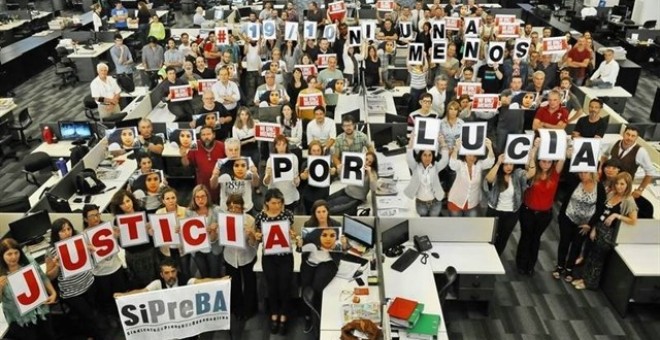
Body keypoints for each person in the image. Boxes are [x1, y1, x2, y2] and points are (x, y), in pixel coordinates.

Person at [572, 173, 637, 290]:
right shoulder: (611, 194)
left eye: (622, 184)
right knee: (590, 254)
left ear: (628, 185)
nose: (619, 186)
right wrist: (594, 228)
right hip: (598, 227)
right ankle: (584, 278)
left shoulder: (629, 200)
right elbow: (601, 212)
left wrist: (617, 215)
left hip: (609, 233)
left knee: (597, 259)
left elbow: (633, 220)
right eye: (617, 183)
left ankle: (590, 283)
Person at [45, 218, 103, 340]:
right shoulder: (51, 251)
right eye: (62, 231)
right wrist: (56, 266)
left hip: (88, 283)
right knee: (88, 316)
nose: (67, 233)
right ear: (56, 234)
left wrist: (91, 251)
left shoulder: (79, 240)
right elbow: (49, 276)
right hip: (72, 291)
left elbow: (91, 260)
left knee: (92, 313)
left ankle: (92, 334)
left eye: (69, 229)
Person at [298, 200, 345, 332]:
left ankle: (318, 317)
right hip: (311, 261)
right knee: (305, 288)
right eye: (318, 212)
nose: (321, 214)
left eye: (324, 211)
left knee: (316, 288)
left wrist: (343, 243)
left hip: (328, 262)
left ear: (328, 212)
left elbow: (343, 249)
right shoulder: (309, 225)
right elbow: (303, 248)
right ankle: (308, 316)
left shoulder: (336, 225)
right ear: (314, 213)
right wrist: (300, 244)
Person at [484, 141, 539, 255]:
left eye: (511, 164)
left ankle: (497, 256)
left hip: (511, 213)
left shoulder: (517, 174)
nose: (509, 167)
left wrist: (531, 157)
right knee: (489, 236)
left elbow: (531, 173)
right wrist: (498, 163)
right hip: (495, 210)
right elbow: (489, 179)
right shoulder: (497, 175)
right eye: (506, 164)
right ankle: (486, 255)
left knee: (503, 237)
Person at [254, 188, 296, 335]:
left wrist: (292, 234)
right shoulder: (260, 217)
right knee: (271, 286)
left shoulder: (288, 215)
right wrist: (257, 236)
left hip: (285, 256)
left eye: (279, 202)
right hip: (269, 257)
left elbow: (291, 231)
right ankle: (274, 314)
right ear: (266, 203)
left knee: (285, 286)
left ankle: (284, 315)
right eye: (273, 203)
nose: (277, 206)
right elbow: (257, 235)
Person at [516, 152, 566, 276]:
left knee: (536, 239)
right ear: (538, 161)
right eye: (543, 161)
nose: (546, 164)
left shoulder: (554, 173)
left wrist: (563, 146)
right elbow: (528, 160)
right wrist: (536, 148)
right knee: (526, 237)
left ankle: (530, 265)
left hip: (545, 214)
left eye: (549, 162)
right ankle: (521, 263)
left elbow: (561, 158)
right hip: (528, 210)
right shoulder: (532, 172)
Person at [554, 171, 606, 282]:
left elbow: (600, 208)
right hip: (568, 217)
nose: (582, 175)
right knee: (564, 242)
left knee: (576, 246)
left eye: (585, 173)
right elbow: (566, 198)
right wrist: (561, 217)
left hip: (585, 224)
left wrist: (590, 224)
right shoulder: (575, 182)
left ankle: (569, 269)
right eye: (580, 173)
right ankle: (559, 267)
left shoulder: (599, 187)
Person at [0, 238, 57, 340]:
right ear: (2, 256)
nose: (14, 257)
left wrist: (52, 293)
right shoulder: (1, 274)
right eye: (9, 254)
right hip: (19, 318)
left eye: (16, 252)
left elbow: (42, 277)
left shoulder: (28, 262)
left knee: (49, 336)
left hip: (40, 309)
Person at [82, 204, 129, 319]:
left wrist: (117, 236)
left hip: (116, 267)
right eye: (92, 216)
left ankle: (125, 315)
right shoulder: (83, 236)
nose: (96, 218)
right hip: (101, 273)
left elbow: (119, 245)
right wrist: (86, 250)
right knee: (107, 299)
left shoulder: (108, 228)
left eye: (97, 214)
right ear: (85, 219)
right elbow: (84, 260)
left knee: (122, 294)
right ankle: (113, 318)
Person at [109, 190, 158, 288]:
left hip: (148, 252)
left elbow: (154, 237)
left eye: (128, 201)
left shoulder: (144, 212)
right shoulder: (117, 220)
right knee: (138, 283)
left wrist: (151, 232)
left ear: (132, 200)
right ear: (118, 206)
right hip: (132, 256)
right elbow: (122, 245)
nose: (126, 205)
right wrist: (117, 237)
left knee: (153, 281)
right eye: (122, 203)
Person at [223, 194, 259, 320]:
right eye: (231, 207)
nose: (234, 210)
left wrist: (251, 235)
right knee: (235, 284)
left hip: (247, 256)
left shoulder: (249, 220)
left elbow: (254, 244)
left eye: (237, 207)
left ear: (242, 208)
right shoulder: (224, 220)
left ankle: (250, 309)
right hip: (230, 257)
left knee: (250, 284)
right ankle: (237, 309)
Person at [599, 126, 655, 200]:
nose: (629, 138)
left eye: (633, 136)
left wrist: (640, 189)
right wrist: (600, 169)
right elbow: (604, 155)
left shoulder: (641, 152)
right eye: (627, 134)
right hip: (609, 183)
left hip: (623, 188)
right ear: (623, 133)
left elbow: (650, 173)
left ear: (637, 138)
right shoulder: (614, 143)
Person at [404, 134, 449, 217]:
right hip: (421, 204)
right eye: (424, 155)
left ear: (432, 156)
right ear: (420, 156)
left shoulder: (435, 167)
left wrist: (443, 143)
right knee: (423, 222)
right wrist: (411, 143)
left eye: (429, 155)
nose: (427, 158)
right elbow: (409, 158)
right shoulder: (415, 167)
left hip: (435, 203)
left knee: (432, 223)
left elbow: (445, 160)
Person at [447, 138, 495, 217]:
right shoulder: (460, 164)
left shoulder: (479, 165)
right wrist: (456, 149)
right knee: (455, 225)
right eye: (469, 155)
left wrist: (490, 147)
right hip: (456, 202)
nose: (471, 158)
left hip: (472, 204)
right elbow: (452, 164)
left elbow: (490, 161)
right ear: (465, 155)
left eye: (474, 156)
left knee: (470, 226)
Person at [186, 184, 224, 278]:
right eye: (197, 197)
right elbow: (187, 232)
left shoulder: (216, 210)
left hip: (213, 249)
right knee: (204, 276)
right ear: (194, 199)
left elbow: (225, 228)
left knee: (215, 275)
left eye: (203, 196)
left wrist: (216, 228)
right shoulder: (189, 212)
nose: (200, 200)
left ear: (207, 197)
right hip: (198, 250)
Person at [181, 126, 226, 202]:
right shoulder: (194, 145)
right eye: (203, 135)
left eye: (208, 134)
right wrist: (183, 156)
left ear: (214, 135)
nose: (206, 137)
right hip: (202, 185)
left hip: (220, 185)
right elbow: (186, 164)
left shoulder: (222, 146)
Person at [327, 151, 378, 216]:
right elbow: (341, 175)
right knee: (325, 201)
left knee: (331, 209)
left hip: (355, 198)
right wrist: (340, 168)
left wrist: (370, 173)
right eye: (366, 159)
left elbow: (374, 188)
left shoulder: (372, 173)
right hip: (346, 190)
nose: (367, 162)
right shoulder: (356, 165)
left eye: (370, 162)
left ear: (372, 164)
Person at [264, 135, 300, 211]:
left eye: (284, 144)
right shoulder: (270, 160)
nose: (281, 147)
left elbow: (296, 180)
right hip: (275, 196)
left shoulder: (293, 158)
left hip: (289, 194)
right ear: (275, 146)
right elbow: (266, 182)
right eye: (279, 144)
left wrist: (296, 180)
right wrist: (268, 175)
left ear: (287, 145)